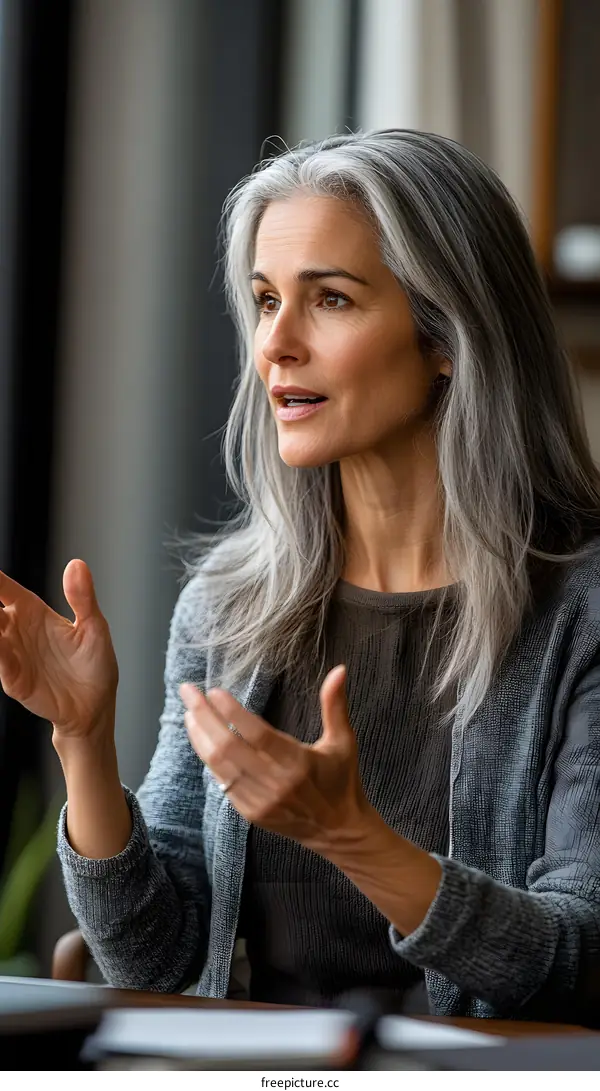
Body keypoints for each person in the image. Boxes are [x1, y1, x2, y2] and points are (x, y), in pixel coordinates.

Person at [2, 128, 600, 1022]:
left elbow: (578, 959)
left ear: (448, 334)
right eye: (265, 298)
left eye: (330, 299)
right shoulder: (231, 606)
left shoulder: (580, 610)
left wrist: (353, 837)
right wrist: (85, 740)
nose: (275, 344)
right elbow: (156, 961)